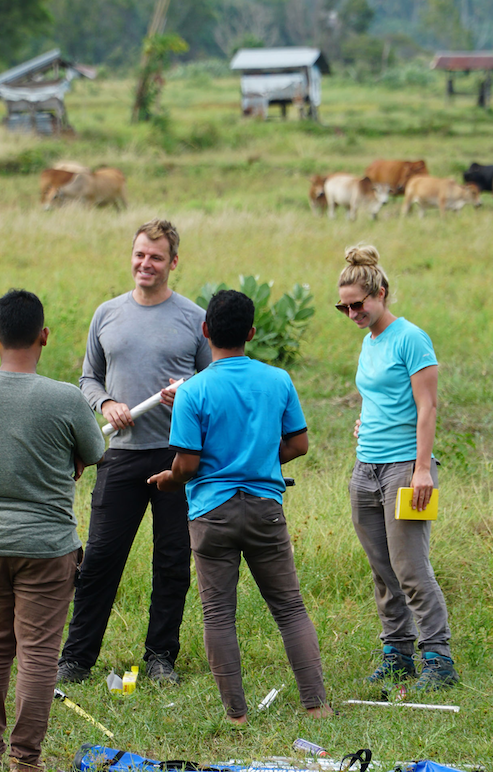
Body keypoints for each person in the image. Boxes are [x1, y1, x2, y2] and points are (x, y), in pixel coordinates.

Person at [148, 289, 332, 724]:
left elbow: (188, 464)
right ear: (251, 332)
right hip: (266, 507)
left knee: (218, 615)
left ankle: (237, 715)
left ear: (205, 330)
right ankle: (316, 705)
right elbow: (300, 444)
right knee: (289, 609)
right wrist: (264, 459)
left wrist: (169, 480)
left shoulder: (193, 390)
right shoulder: (278, 380)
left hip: (212, 513)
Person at [0, 290, 106, 771]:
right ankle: (25, 759)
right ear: (44, 336)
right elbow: (96, 451)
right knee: (39, 653)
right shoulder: (65, 397)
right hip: (47, 545)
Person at [57, 219, 211, 686]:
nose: (146, 264)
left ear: (173, 263)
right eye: (140, 254)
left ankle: (161, 656)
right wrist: (106, 403)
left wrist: (185, 394)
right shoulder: (107, 314)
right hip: (119, 455)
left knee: (171, 559)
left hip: (175, 457)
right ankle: (77, 659)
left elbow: (212, 382)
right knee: (102, 557)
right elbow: (88, 379)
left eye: (157, 257)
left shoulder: (192, 318)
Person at [335, 245, 458, 692]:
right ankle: (398, 653)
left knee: (410, 567)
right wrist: (366, 421)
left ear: (381, 294)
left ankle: (438, 659)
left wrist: (423, 469)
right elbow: (382, 397)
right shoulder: (369, 343)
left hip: (405, 467)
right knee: (382, 567)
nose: (352, 313)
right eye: (344, 307)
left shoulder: (410, 337)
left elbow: (428, 407)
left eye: (358, 304)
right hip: (365, 466)